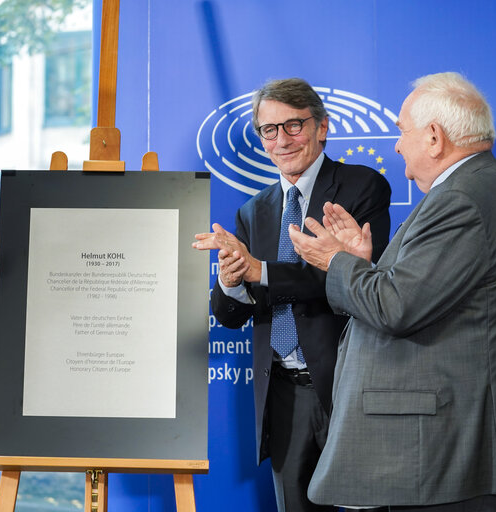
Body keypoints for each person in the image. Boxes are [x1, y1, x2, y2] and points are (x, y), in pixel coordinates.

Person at [289, 72, 496, 511]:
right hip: (456, 446)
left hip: (449, 450)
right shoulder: (482, 187)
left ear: (434, 137)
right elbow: (422, 294)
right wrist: (361, 262)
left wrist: (335, 261)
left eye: (401, 131)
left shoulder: (462, 199)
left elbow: (396, 306)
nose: (396, 145)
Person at [193, 78, 391, 512]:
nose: (281, 140)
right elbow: (231, 316)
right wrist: (231, 279)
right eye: (269, 130)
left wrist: (258, 270)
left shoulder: (361, 188)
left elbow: (342, 277)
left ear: (322, 127)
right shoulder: (253, 211)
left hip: (347, 387)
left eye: (293, 126)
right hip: (283, 395)